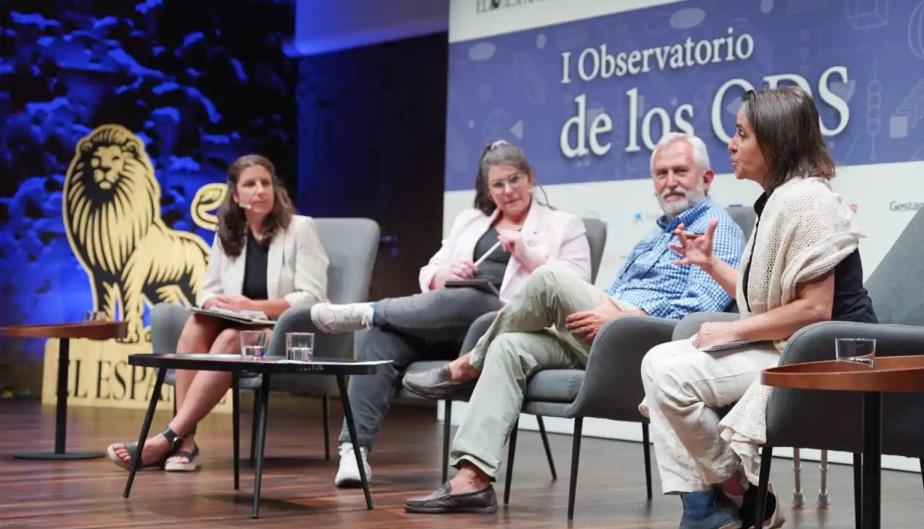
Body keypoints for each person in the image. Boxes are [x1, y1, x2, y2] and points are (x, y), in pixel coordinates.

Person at [402, 132, 746, 513]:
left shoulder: (718, 228)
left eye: (680, 171)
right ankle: (472, 480)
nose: (670, 181)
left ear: (707, 178)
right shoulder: (655, 235)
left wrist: (624, 316)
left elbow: (699, 311)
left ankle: (467, 363)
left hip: (651, 348)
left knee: (549, 279)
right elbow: (614, 293)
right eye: (661, 173)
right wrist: (600, 315)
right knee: (509, 346)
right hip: (607, 337)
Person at [639, 86, 877, 529]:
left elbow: (815, 310)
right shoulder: (778, 200)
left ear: (776, 140)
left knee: (665, 372)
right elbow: (766, 300)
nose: (732, 143)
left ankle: (733, 494)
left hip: (825, 357)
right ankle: (727, 500)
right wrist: (711, 265)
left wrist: (730, 330)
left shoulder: (808, 202)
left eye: (742, 133)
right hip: (791, 345)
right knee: (660, 364)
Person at [311, 141, 592, 488]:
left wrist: (527, 254)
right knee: (382, 338)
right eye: (497, 185)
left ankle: (370, 310)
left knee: (476, 300)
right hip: (443, 320)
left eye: (514, 180)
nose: (507, 191)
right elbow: (429, 270)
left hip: (495, 327)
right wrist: (445, 276)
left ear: (531, 177)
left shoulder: (564, 225)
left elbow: (574, 287)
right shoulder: (470, 221)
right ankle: (354, 450)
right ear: (487, 189)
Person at [106, 154, 329, 472]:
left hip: (282, 330)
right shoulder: (228, 233)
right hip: (240, 324)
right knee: (198, 323)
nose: (260, 190)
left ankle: (169, 437)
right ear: (236, 196)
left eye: (266, 183)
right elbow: (208, 291)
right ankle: (185, 443)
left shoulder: (300, 229)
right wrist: (217, 305)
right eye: (250, 184)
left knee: (227, 339)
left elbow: (312, 296)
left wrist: (252, 307)